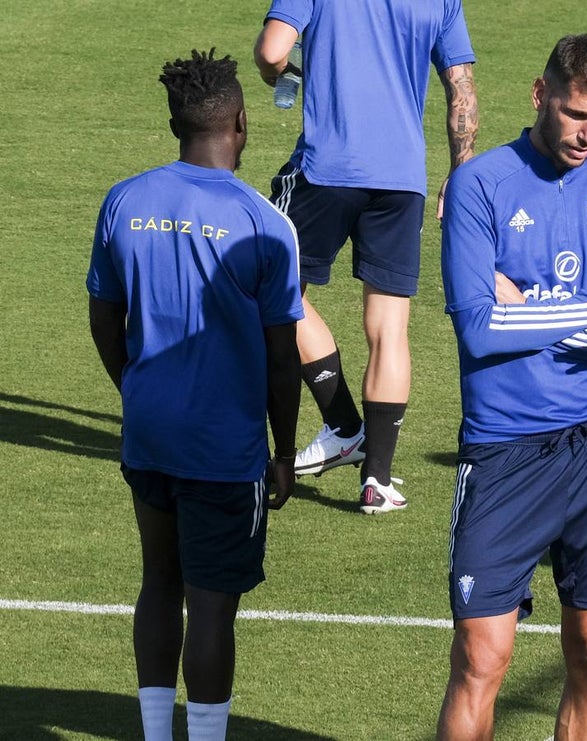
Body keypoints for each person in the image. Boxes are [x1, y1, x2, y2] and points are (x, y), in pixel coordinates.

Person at [436, 34, 587, 741]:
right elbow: (478, 329)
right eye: (575, 115)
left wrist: (526, 309)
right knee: (483, 652)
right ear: (540, 95)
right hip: (505, 448)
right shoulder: (479, 186)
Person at [87, 49, 303, 740]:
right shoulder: (266, 223)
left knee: (159, 582)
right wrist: (286, 449)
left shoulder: (125, 199)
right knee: (212, 606)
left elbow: (103, 314)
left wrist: (136, 386)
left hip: (148, 433)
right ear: (240, 122)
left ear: (175, 121)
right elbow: (281, 356)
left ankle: (157, 734)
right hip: (222, 448)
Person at [253, 0, 479, 513]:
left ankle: (343, 424)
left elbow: (272, 51)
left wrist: (284, 75)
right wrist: (460, 171)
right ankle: (377, 480)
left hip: (325, 171)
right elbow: (461, 89)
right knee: (389, 328)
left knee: (272, 289)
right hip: (402, 180)